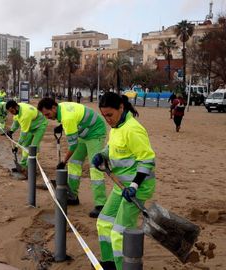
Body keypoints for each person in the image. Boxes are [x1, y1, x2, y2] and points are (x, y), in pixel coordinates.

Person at [92, 92, 156, 270]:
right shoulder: (116, 127)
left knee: (119, 233)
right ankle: (109, 263)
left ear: (121, 107)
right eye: (104, 116)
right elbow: (113, 148)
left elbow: (147, 160)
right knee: (103, 223)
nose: (107, 120)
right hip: (121, 186)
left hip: (137, 188)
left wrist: (134, 186)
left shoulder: (133, 129)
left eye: (110, 115)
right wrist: (102, 155)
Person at [37, 98, 107, 218]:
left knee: (95, 168)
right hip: (84, 133)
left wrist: (63, 161)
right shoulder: (61, 108)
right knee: (74, 163)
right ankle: (72, 196)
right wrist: (61, 126)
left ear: (54, 108)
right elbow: (74, 118)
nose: (47, 117)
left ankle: (101, 205)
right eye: (45, 115)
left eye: (48, 114)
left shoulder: (67, 118)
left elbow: (73, 145)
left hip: (96, 133)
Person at [6, 100, 48, 175]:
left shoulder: (25, 115)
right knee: (25, 145)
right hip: (30, 126)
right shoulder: (17, 110)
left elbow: (23, 134)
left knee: (34, 147)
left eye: (12, 111)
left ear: (16, 107)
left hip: (40, 126)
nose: (12, 113)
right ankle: (22, 165)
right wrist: (11, 130)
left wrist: (16, 146)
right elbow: (16, 122)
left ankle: (30, 168)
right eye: (10, 112)